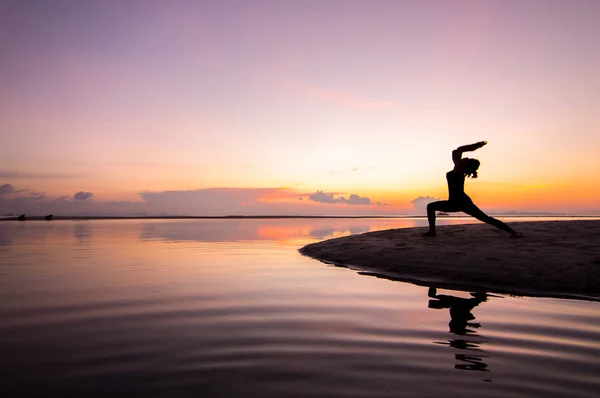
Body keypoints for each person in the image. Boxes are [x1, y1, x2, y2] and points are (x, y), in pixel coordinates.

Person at [423, 141, 522, 238]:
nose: (466, 157)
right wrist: (476, 147)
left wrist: (476, 146)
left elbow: (457, 151)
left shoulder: (458, 169)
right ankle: (512, 232)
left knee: (485, 218)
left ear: (465, 165)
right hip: (457, 202)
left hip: (460, 202)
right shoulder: (459, 169)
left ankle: (432, 231)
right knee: (486, 218)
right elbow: (457, 151)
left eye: (467, 159)